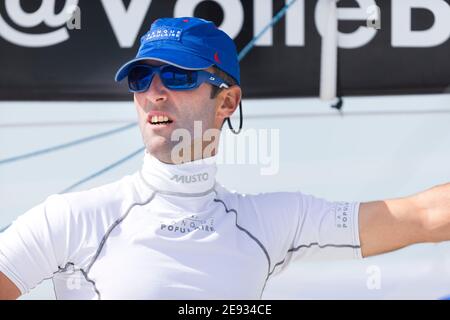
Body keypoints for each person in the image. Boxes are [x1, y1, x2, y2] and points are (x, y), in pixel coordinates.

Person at [0, 17, 449, 300]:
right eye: (142, 77)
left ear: (227, 101)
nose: (155, 90)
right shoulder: (69, 218)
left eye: (176, 75)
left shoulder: (269, 220)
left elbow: (424, 218)